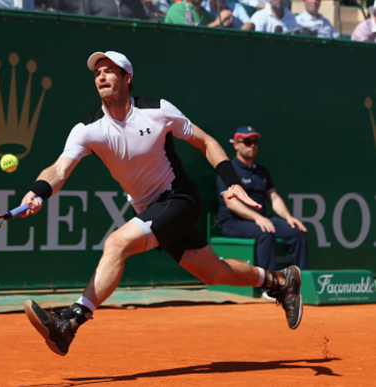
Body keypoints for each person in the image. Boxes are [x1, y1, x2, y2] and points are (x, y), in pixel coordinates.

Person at [19, 51, 303, 356]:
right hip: (149, 209)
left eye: (110, 71)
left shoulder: (158, 111)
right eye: (97, 72)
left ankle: (70, 323)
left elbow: (205, 141)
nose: (101, 76)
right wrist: (38, 191)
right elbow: (59, 169)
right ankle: (280, 281)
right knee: (214, 272)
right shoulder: (88, 129)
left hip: (179, 197)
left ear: (127, 78)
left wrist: (232, 181)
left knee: (117, 244)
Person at [216, 126, 308, 300]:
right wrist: (258, 218)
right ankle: (269, 287)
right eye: (248, 141)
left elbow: (274, 198)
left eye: (255, 142)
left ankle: (301, 284)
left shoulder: (261, 171)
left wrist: (289, 218)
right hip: (234, 222)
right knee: (265, 231)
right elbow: (231, 203)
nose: (253, 146)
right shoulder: (228, 170)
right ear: (236, 144)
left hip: (262, 219)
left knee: (296, 231)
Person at [78, 0, 157, 20]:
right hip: (99, 46)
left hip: (127, 44)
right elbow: (81, 22)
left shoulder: (135, 2)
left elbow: (150, 18)